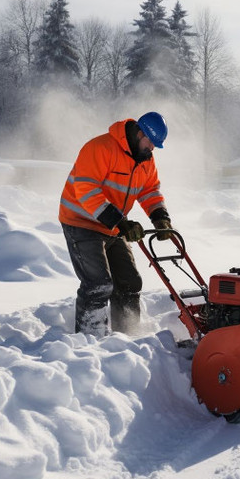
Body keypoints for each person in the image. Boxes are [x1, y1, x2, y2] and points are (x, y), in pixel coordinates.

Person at [59, 112, 173, 335]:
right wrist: (121, 222)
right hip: (81, 222)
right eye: (150, 142)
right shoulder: (100, 148)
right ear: (140, 133)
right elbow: (86, 190)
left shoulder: (145, 159)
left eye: (155, 145)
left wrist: (160, 217)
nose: (152, 148)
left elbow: (150, 190)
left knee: (130, 282)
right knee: (98, 284)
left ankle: (127, 336)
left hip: (113, 225)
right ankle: (89, 342)